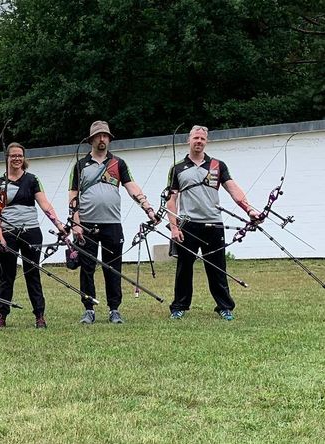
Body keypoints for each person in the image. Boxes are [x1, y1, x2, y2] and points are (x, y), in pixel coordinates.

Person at [167, 125, 259, 321]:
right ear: (188, 140)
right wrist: (174, 227)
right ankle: (179, 306)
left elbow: (233, 189)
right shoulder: (177, 168)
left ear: (206, 141)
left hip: (214, 224)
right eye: (195, 138)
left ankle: (224, 307)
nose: (199, 141)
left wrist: (250, 209)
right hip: (188, 225)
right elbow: (171, 200)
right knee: (184, 268)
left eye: (202, 138)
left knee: (217, 267)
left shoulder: (218, 165)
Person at [69, 121, 156, 324]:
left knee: (113, 267)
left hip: (112, 223)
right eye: (98, 136)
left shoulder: (119, 163)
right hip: (87, 224)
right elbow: (73, 194)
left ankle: (114, 309)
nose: (102, 139)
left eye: (105, 136)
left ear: (109, 139)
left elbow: (131, 187)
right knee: (87, 267)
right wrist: (75, 221)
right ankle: (89, 308)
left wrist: (148, 207)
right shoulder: (80, 165)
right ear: (91, 139)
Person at [0, 142, 68, 329]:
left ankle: (39, 316)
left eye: (20, 155)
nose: (17, 158)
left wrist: (58, 223)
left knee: (32, 273)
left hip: (31, 232)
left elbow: (45, 204)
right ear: (7, 158)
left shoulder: (32, 180)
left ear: (24, 158)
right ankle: (2, 316)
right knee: (6, 275)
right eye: (13, 156)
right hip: (7, 234)